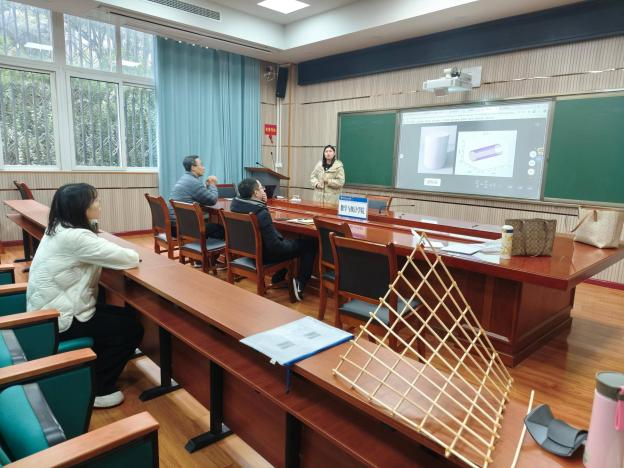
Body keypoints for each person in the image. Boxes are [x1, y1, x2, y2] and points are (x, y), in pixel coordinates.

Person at [26, 183, 142, 408]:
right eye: (95, 200)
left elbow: (98, 245)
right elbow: (129, 258)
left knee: (125, 316)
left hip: (49, 314)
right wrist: (131, 253)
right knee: (131, 329)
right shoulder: (76, 237)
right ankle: (98, 388)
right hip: (63, 319)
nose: (99, 203)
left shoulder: (58, 228)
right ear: (81, 207)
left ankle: (94, 365)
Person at [230, 178, 317, 301]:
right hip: (265, 255)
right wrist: (288, 244)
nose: (264, 190)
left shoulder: (236, 206)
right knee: (309, 243)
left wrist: (262, 203)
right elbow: (275, 247)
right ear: (255, 192)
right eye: (261, 188)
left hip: (249, 251)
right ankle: (300, 285)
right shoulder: (261, 212)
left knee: (286, 239)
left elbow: (256, 210)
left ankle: (278, 279)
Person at [169, 155, 224, 239]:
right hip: (183, 228)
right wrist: (212, 184)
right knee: (221, 229)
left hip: (174, 226)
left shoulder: (185, 178)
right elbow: (212, 200)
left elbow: (204, 198)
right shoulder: (193, 182)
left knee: (210, 225)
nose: (204, 168)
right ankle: (204, 247)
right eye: (201, 165)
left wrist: (208, 187)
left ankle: (201, 246)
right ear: (193, 167)